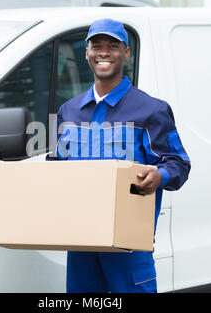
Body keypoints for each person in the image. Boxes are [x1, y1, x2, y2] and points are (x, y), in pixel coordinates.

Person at [47, 18, 191, 293]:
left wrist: (159, 175)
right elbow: (58, 166)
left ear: (126, 53)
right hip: (81, 242)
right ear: (86, 53)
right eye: (96, 46)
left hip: (128, 245)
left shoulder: (151, 110)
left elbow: (179, 163)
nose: (103, 52)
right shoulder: (69, 111)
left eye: (113, 46)